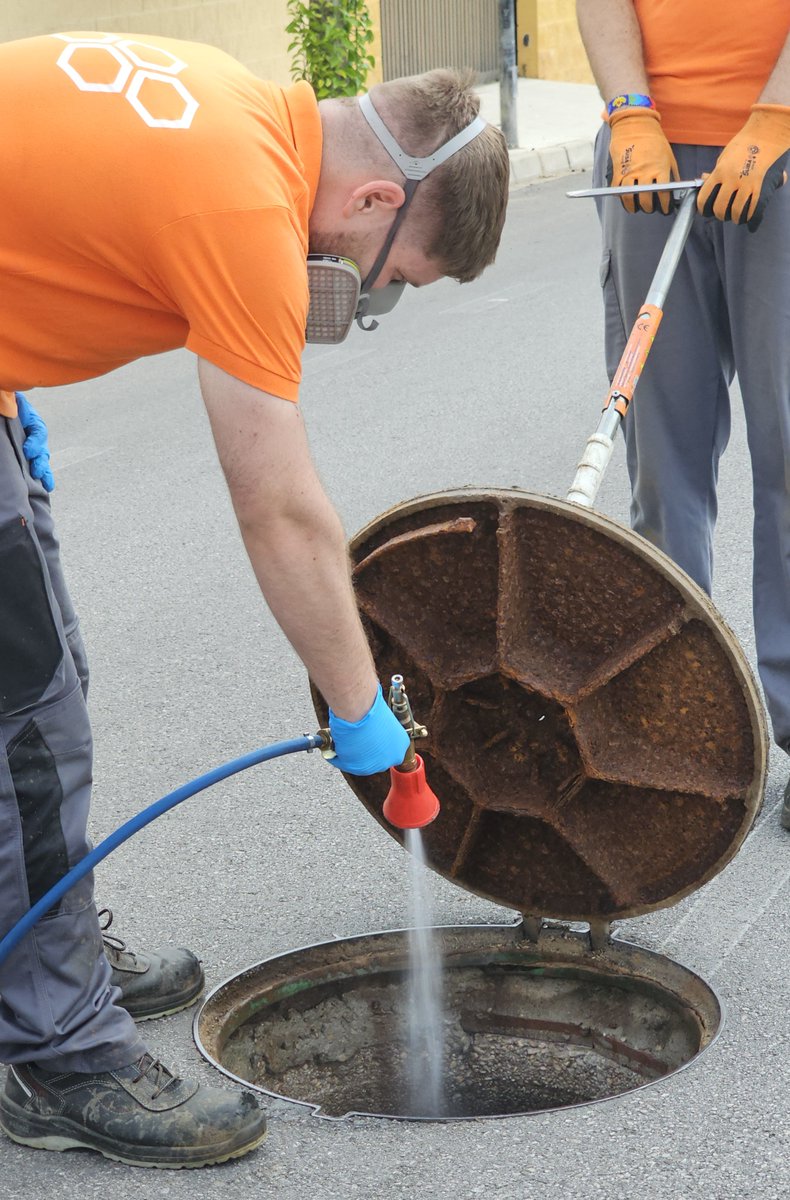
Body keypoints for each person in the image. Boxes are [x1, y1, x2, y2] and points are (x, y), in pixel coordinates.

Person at [0, 31, 509, 1168]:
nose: (364, 297)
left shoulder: (231, 100)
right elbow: (277, 507)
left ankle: (49, 944)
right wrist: (358, 709)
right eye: (390, 280)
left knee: (48, 683)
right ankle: (55, 1053)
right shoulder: (243, 213)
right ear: (379, 196)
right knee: (24, 723)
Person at [576, 1, 790, 825]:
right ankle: (680, 723)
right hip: (650, 156)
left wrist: (774, 112)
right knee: (661, 456)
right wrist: (630, 113)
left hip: (783, 142)